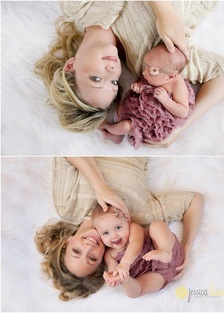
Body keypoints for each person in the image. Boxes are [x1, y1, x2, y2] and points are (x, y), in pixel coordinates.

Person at [34, 1, 224, 146]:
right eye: (113, 83)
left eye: (96, 79)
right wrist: (180, 125)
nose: (112, 71)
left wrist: (164, 10)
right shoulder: (153, 64)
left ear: (71, 65)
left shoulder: (77, 6)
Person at [35, 156, 204, 301]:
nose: (89, 247)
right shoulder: (139, 220)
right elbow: (194, 200)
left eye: (77, 251)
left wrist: (100, 187)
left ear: (67, 242)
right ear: (101, 259)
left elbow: (69, 150)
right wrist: (186, 246)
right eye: (92, 258)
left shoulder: (68, 206)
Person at [99, 42, 195, 149]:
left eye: (152, 71)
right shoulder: (154, 76)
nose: (144, 72)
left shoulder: (177, 85)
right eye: (145, 66)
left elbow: (183, 112)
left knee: (125, 126)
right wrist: (139, 86)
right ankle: (116, 136)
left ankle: (108, 127)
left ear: (171, 77)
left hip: (152, 123)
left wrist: (166, 100)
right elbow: (144, 84)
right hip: (139, 108)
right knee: (120, 110)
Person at [91, 204, 184, 298]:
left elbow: (136, 245)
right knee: (135, 291)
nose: (114, 236)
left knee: (157, 225)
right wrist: (114, 277)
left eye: (118, 228)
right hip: (157, 275)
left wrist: (125, 263)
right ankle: (125, 280)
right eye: (106, 233)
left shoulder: (133, 228)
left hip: (169, 253)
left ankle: (165, 250)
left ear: (127, 220)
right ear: (99, 233)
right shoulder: (109, 254)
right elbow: (113, 268)